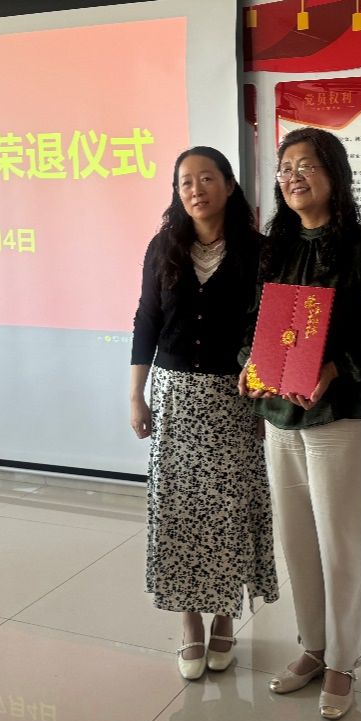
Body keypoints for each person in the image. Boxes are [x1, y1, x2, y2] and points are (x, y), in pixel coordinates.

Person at [239, 127, 361, 720]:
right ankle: (313, 647)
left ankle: (343, 660)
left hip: (340, 418)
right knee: (296, 540)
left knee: (341, 544)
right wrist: (249, 364)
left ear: (334, 174)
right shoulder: (275, 249)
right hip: (280, 417)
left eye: (306, 165)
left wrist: (336, 368)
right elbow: (254, 326)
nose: (293, 177)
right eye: (285, 168)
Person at [131, 146, 278, 680]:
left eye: (207, 178)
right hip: (174, 397)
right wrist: (136, 394)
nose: (196, 189)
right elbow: (146, 320)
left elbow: (270, 328)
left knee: (227, 511)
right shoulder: (163, 247)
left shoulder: (258, 251)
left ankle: (225, 616)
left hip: (234, 399)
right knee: (179, 510)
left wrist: (264, 397)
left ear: (229, 185)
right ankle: (189, 621)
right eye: (186, 182)